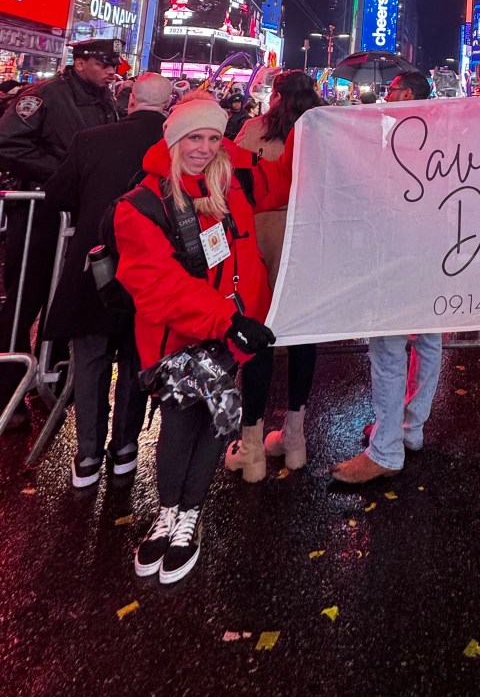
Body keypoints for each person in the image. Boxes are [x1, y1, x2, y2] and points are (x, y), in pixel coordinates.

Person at [114, 95, 292, 583]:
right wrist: (227, 321)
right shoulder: (142, 204)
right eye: (195, 137)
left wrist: (310, 122)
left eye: (214, 138)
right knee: (180, 422)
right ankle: (169, 512)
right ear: (173, 139)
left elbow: (286, 178)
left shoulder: (232, 184)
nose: (205, 147)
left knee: (217, 419)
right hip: (181, 339)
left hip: (231, 333)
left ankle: (187, 514)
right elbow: (156, 286)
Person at [42, 74, 173, 487]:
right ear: (169, 104)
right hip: (151, 271)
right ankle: (126, 450)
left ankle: (86, 458)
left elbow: (58, 195)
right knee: (139, 357)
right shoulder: (176, 146)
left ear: (130, 98)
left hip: (93, 268)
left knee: (92, 360)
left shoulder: (90, 139)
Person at [0, 38, 120, 428]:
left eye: (113, 64)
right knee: (25, 299)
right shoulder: (45, 96)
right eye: (103, 63)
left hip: (79, 216)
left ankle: (52, 375)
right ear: (80, 62)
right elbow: (8, 143)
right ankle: (8, 389)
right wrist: (61, 172)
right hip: (40, 213)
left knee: (66, 294)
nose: (110, 70)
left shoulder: (106, 100)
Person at [333, 68, 442, 485]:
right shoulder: (445, 128)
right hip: (436, 250)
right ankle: (408, 428)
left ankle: (385, 450)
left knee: (389, 345)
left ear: (408, 93)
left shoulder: (401, 132)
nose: (386, 95)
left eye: (393, 89)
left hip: (400, 249)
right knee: (428, 339)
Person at [225, 70, 322, 479]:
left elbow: (233, 181)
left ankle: (252, 449)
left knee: (258, 334)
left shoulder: (252, 130)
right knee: (302, 334)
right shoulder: (325, 128)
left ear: (277, 95)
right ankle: (295, 438)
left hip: (260, 237)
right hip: (310, 236)